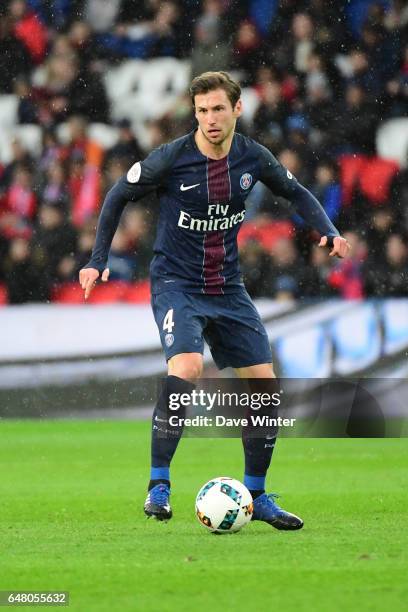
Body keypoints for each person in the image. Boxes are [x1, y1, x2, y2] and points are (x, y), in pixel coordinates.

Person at [79, 71, 350, 529]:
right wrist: (96, 258)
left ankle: (258, 495)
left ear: (237, 109)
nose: (210, 119)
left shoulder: (252, 157)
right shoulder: (171, 158)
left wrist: (329, 230)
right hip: (176, 285)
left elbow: (296, 191)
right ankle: (159, 486)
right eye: (202, 110)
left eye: (218, 109)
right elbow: (118, 194)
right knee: (186, 367)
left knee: (264, 387)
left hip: (228, 287)